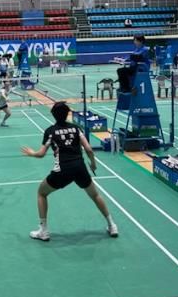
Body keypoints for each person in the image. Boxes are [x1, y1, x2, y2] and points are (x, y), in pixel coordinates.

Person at [21, 101, 118, 241]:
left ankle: (43, 231)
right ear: (67, 114)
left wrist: (32, 153)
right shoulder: (76, 128)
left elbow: (41, 154)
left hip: (62, 170)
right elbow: (89, 149)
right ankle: (112, 225)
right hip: (80, 168)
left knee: (41, 193)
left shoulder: (50, 131)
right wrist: (93, 164)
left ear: (53, 115)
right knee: (95, 195)